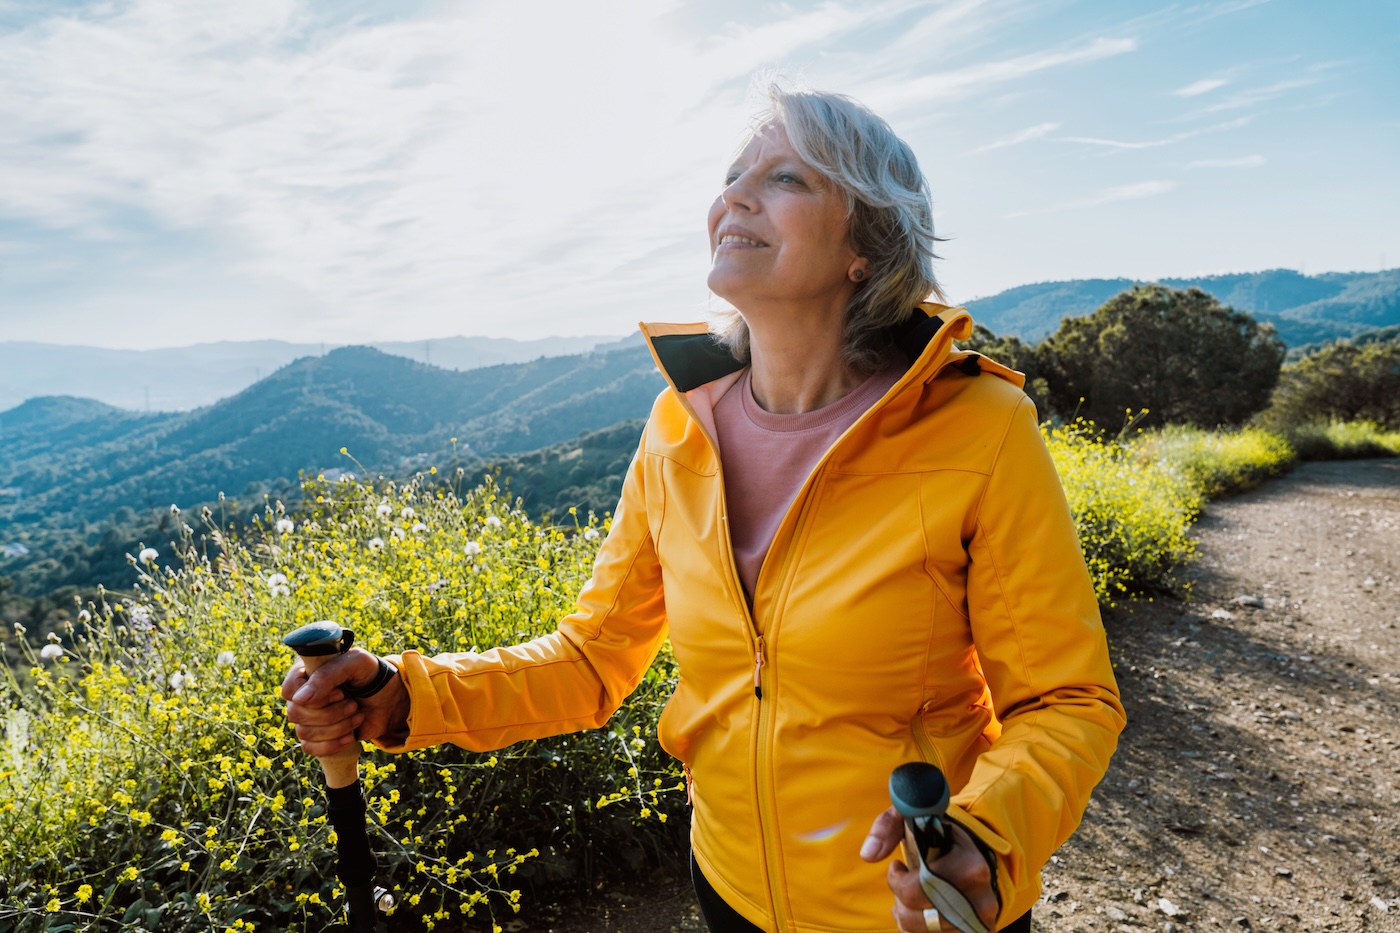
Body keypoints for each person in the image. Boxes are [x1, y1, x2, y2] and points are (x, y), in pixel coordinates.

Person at [284, 85, 1125, 933]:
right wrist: (403, 694)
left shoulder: (979, 429)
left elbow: (1067, 700)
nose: (734, 197)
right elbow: (592, 659)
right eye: (732, 176)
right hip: (729, 886)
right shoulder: (678, 426)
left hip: (910, 908)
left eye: (787, 178)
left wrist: (985, 830)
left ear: (865, 246)